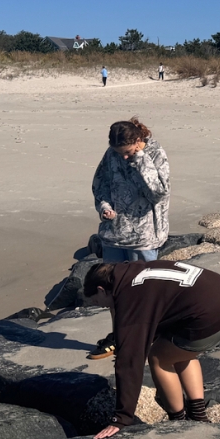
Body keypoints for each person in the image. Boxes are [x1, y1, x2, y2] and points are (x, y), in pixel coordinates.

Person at [84, 259, 220, 439]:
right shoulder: (135, 269)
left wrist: (121, 418)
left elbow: (130, 361)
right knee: (178, 350)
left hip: (210, 316)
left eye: (98, 302)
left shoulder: (129, 298)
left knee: (159, 358)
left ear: (101, 289)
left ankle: (178, 421)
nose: (104, 307)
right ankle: (198, 415)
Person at [87, 116, 171, 359]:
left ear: (137, 140)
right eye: (119, 153)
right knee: (114, 291)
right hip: (114, 235)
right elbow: (99, 186)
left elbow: (159, 193)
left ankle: (149, 337)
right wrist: (103, 207)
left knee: (146, 290)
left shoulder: (155, 153)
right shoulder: (111, 154)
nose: (123, 157)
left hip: (145, 236)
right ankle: (120, 336)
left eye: (127, 152)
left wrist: (139, 160)